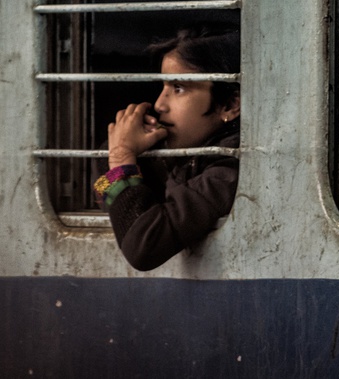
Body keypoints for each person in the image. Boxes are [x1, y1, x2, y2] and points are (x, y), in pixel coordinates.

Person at [94, 25, 240, 271]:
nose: (160, 104)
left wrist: (121, 157)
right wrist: (119, 148)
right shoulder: (188, 155)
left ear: (229, 105)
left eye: (178, 88)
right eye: (163, 87)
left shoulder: (228, 171)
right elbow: (105, 198)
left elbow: (143, 249)